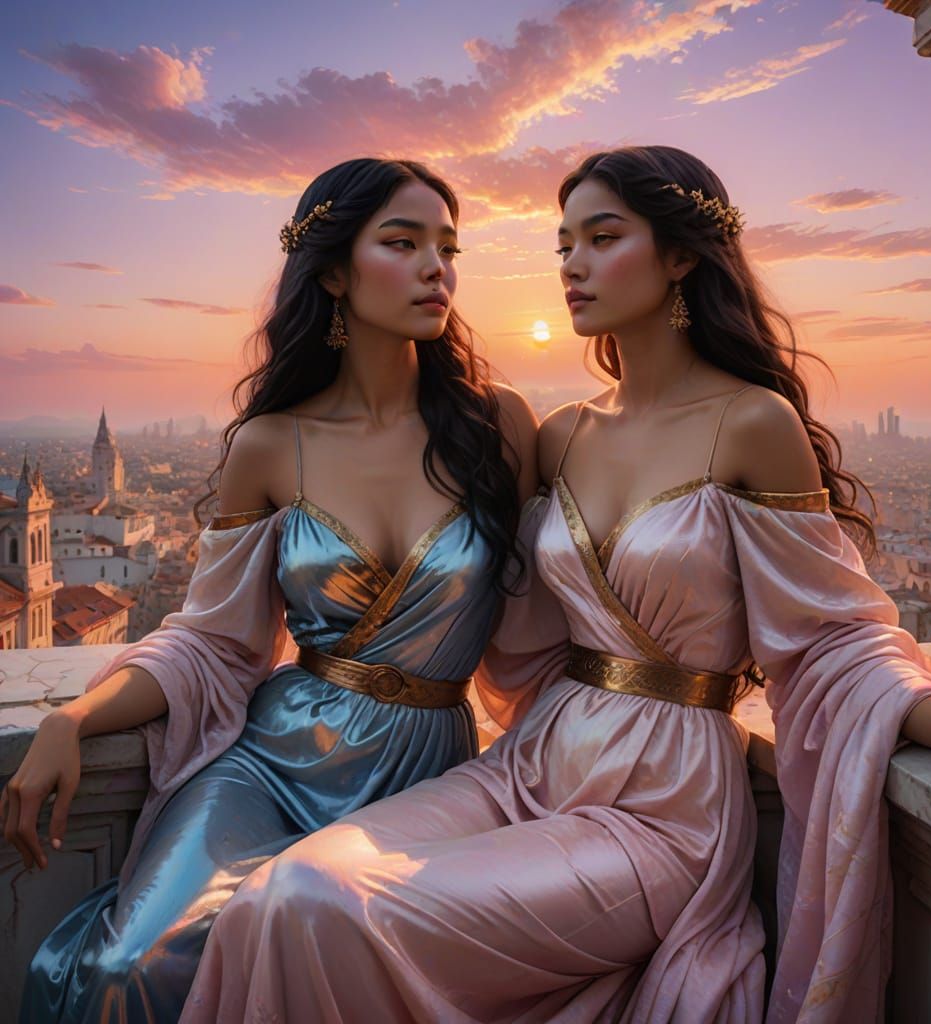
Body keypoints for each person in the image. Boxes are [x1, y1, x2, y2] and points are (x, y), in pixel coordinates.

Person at [181, 146, 931, 1024]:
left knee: (326, 909)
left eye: (602, 237)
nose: (572, 266)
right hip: (531, 763)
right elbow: (494, 612)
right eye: (563, 245)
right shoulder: (561, 434)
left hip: (666, 806)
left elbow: (835, 634)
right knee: (291, 890)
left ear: (682, 257)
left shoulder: (751, 423)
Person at [2, 156, 537, 1023]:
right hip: (273, 760)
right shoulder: (270, 443)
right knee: (124, 968)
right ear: (331, 270)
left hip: (425, 776)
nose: (438, 266)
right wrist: (70, 718)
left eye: (448, 245)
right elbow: (210, 638)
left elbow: (560, 612)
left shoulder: (500, 427)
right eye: (404, 242)